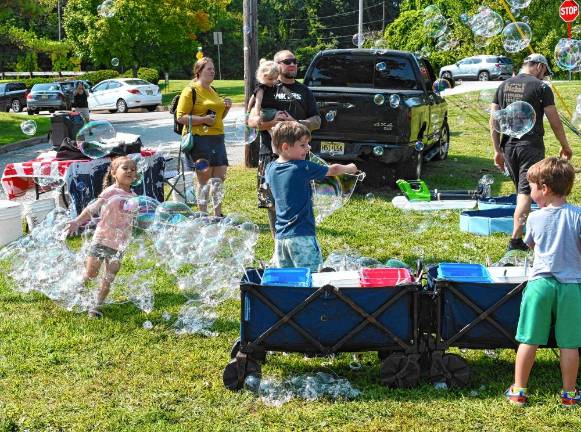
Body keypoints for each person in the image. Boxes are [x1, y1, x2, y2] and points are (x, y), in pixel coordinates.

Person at [505, 157, 581, 407]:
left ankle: (519, 391)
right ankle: (569, 395)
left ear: (545, 189)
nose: (531, 192)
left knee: (529, 339)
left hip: (540, 285)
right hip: (571, 287)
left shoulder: (536, 219)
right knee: (569, 344)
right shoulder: (578, 215)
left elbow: (531, 245)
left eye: (532, 187)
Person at [489, 53, 573, 252]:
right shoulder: (541, 87)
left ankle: (529, 232)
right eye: (544, 72)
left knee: (522, 191)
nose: (544, 77)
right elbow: (554, 120)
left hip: (508, 147)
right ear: (540, 67)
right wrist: (565, 145)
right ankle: (515, 241)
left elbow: (493, 121)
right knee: (525, 194)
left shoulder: (503, 86)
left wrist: (497, 150)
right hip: (531, 147)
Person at [247, 49, 321, 237]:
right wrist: (272, 123)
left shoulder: (304, 91)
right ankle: (277, 243)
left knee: (300, 200)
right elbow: (251, 121)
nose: (293, 64)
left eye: (295, 61)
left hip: (299, 157)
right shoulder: (266, 87)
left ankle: (298, 239)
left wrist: (294, 123)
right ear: (276, 65)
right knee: (271, 202)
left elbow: (317, 121)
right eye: (287, 61)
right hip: (270, 155)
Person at [265, 122, 357, 272]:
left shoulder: (270, 169)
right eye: (302, 145)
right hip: (302, 236)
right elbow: (333, 170)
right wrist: (351, 168)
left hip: (281, 239)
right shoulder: (301, 167)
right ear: (285, 147)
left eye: (308, 144)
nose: (308, 148)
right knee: (312, 277)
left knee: (288, 281)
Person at [67, 156, 138, 318]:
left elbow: (133, 220)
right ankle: (78, 290)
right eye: (125, 168)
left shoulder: (134, 196)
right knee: (91, 273)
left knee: (109, 277)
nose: (129, 171)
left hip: (119, 244)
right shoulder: (111, 191)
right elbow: (93, 208)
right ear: (114, 172)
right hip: (102, 239)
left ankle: (96, 306)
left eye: (133, 169)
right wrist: (77, 221)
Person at [176, 57, 232, 216]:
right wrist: (203, 120)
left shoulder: (213, 90)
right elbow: (180, 117)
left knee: (219, 178)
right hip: (200, 140)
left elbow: (218, 118)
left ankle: (218, 214)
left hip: (217, 139)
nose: (213, 71)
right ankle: (202, 214)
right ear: (199, 72)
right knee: (204, 180)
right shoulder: (190, 90)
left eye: (213, 69)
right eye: (209, 69)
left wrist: (226, 108)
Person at [247, 59, 279, 127]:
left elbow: (252, 98)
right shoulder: (261, 88)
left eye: (276, 78)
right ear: (262, 76)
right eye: (270, 79)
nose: (273, 81)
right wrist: (256, 115)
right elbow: (257, 102)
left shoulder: (272, 86)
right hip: (266, 111)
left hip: (271, 110)